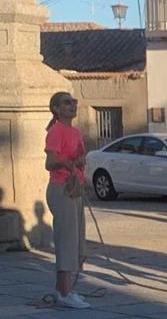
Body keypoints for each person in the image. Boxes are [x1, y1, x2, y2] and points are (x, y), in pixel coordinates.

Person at [44, 92, 89, 309]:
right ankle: (63, 292)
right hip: (61, 188)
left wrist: (79, 162)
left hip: (76, 189)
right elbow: (50, 162)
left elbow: (80, 155)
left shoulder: (76, 132)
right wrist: (66, 164)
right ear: (56, 108)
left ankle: (68, 289)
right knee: (67, 240)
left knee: (78, 241)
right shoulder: (56, 131)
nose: (72, 106)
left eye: (74, 102)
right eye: (67, 103)